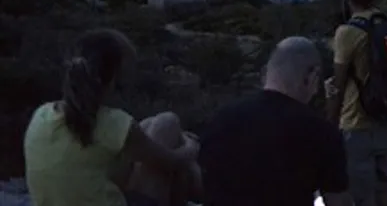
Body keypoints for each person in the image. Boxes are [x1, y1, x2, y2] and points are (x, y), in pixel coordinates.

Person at [23, 29, 202, 206]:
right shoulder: (113, 123)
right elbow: (175, 161)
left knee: (151, 125)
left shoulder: (42, 114)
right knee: (168, 122)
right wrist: (191, 144)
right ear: (114, 78)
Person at [199, 37, 353, 206]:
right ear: (312, 77)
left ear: (266, 73)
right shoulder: (320, 133)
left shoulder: (220, 120)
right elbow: (338, 202)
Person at [328, 0, 387, 206]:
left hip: (356, 127)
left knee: (361, 198)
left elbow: (337, 87)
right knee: (384, 192)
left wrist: (329, 128)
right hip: (385, 122)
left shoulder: (348, 32)